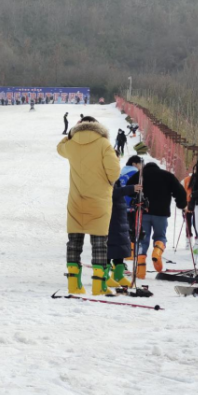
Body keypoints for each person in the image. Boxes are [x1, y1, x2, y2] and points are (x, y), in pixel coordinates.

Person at [57, 116, 121, 296]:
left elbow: (59, 148)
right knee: (99, 242)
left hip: (76, 199)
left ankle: (73, 284)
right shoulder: (104, 144)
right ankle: (98, 285)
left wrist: (70, 134)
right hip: (99, 199)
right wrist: (108, 182)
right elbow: (114, 171)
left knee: (74, 241)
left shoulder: (71, 144)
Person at [127, 162, 187, 277]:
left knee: (142, 239)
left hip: (143, 212)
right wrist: (182, 204)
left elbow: (129, 188)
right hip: (161, 213)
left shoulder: (140, 175)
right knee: (160, 236)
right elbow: (180, 191)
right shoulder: (167, 175)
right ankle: (157, 252)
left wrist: (136, 195)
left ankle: (141, 272)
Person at [107, 175, 143, 288]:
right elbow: (111, 192)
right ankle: (103, 275)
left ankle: (118, 275)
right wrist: (130, 188)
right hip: (110, 217)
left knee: (121, 247)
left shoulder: (114, 175)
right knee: (109, 247)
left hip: (119, 217)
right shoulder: (103, 174)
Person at [119, 155, 144, 260]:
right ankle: (131, 250)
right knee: (134, 226)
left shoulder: (120, 173)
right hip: (133, 204)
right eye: (140, 164)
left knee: (124, 227)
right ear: (135, 164)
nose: (141, 167)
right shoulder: (136, 174)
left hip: (121, 203)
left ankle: (124, 248)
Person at [181, 174, 198, 250]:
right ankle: (188, 241)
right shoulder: (185, 180)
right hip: (187, 204)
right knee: (188, 223)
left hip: (197, 205)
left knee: (196, 223)